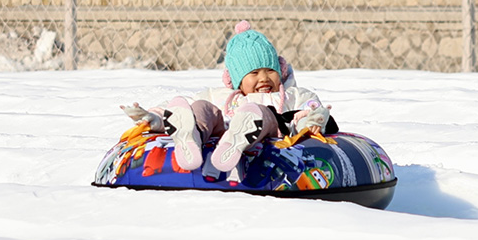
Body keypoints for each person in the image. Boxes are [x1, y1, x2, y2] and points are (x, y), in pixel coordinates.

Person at [121, 20, 335, 175]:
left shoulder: (293, 95)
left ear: (280, 71)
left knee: (262, 114)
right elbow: (180, 105)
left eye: (270, 71)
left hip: (270, 126)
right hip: (222, 129)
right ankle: (192, 136)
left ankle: (244, 131)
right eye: (253, 73)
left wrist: (313, 121)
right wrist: (155, 118)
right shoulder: (224, 97)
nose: (263, 79)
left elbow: (311, 108)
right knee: (200, 107)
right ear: (237, 81)